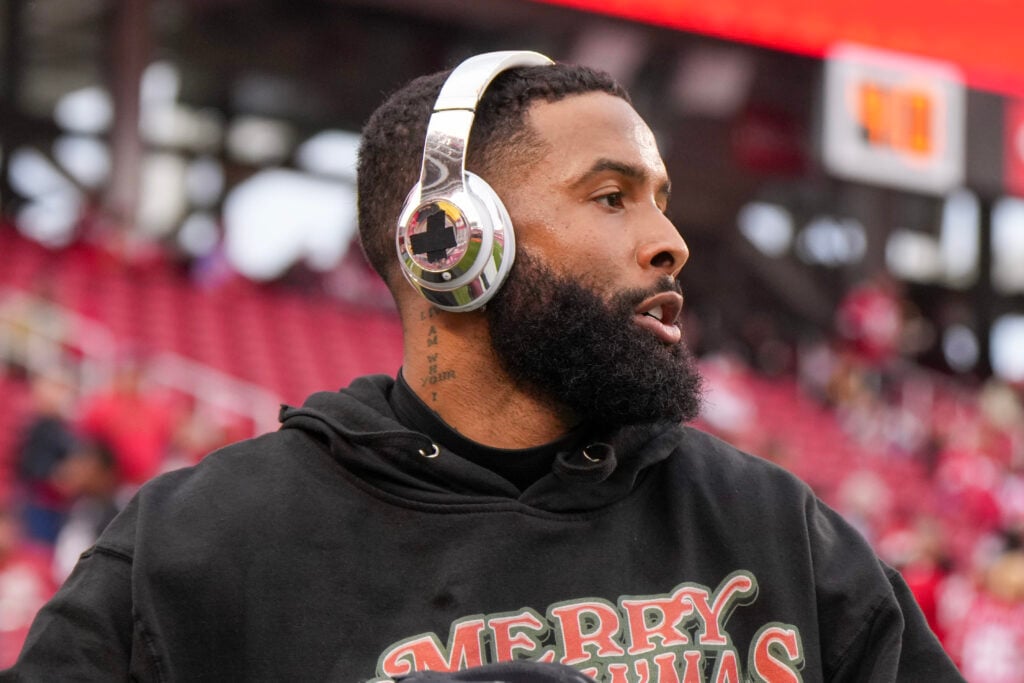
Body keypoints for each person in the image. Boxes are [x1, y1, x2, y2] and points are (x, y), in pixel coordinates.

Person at [3, 51, 962, 682]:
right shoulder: (203, 547)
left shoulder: (781, 531)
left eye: (662, 199)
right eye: (612, 196)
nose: (670, 241)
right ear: (447, 241)